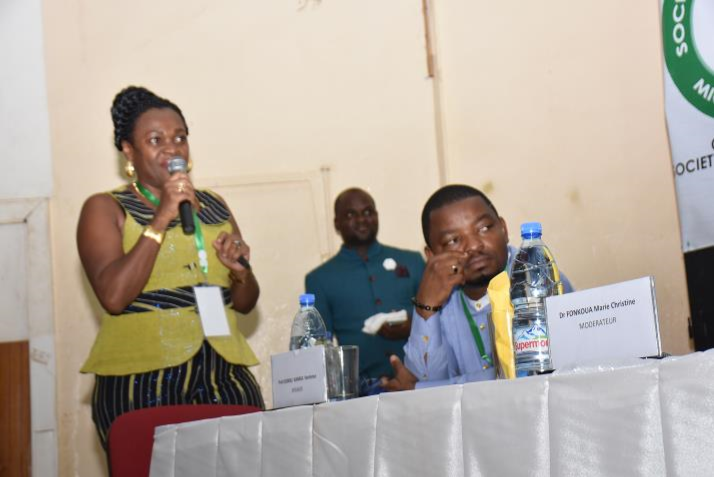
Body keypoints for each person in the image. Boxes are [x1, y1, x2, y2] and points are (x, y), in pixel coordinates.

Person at [78, 86, 264, 450]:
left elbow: (245, 303)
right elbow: (113, 296)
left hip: (223, 373)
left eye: (180, 137)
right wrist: (161, 217)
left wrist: (240, 272)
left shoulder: (214, 205)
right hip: (141, 380)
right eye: (155, 140)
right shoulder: (105, 208)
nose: (172, 148)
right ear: (128, 150)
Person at [381, 184, 573, 391]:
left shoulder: (536, 277)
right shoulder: (440, 300)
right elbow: (426, 384)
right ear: (432, 256)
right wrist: (425, 306)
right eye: (453, 240)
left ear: (504, 229)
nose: (473, 245)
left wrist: (423, 388)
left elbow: (530, 375)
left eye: (484, 228)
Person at [305, 188, 425, 395]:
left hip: (420, 382)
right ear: (337, 223)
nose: (361, 220)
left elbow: (439, 316)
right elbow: (319, 347)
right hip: (361, 392)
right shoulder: (320, 279)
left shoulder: (412, 261)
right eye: (351, 214)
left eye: (368, 212)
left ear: (377, 216)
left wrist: (413, 325)